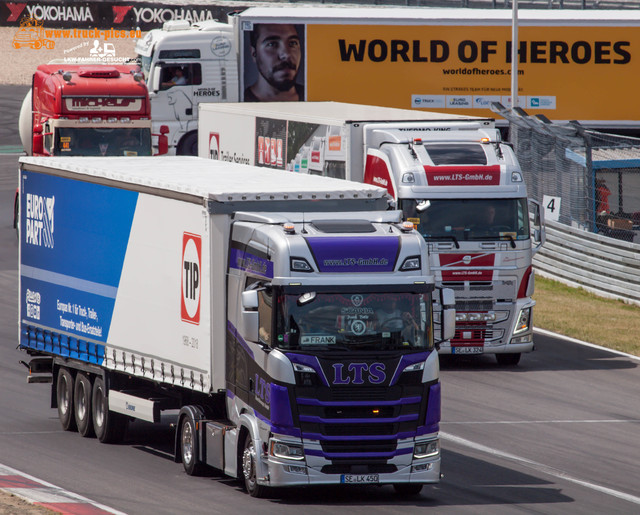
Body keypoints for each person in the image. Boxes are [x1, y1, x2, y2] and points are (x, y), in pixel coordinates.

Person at [244, 24, 304, 102]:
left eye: (293, 43)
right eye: (272, 44)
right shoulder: (239, 102)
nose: (286, 55)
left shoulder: (314, 97)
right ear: (254, 53)